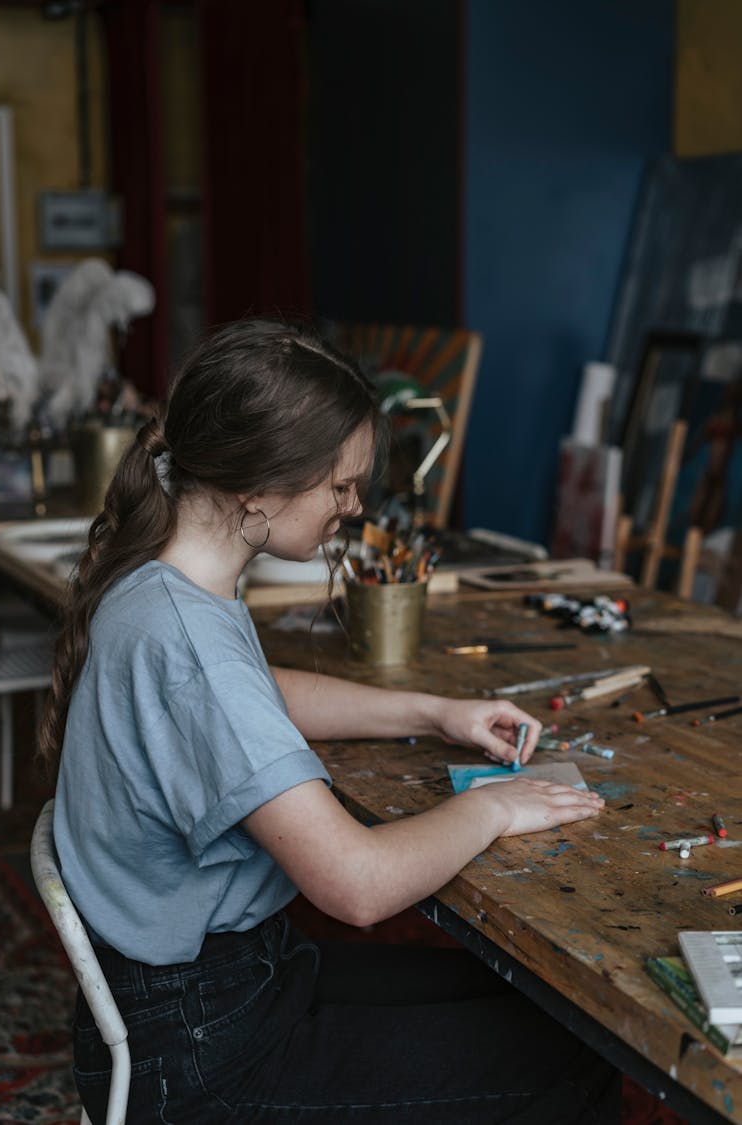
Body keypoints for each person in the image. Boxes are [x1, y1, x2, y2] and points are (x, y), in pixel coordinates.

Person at [39, 319, 620, 1124]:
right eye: (339, 485)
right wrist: (493, 805)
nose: (353, 505)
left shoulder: (162, 579)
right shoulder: (189, 646)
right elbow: (358, 885)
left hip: (201, 999)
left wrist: (433, 710)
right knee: (571, 1060)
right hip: (204, 1056)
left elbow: (254, 692)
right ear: (262, 485)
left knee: (551, 1013)